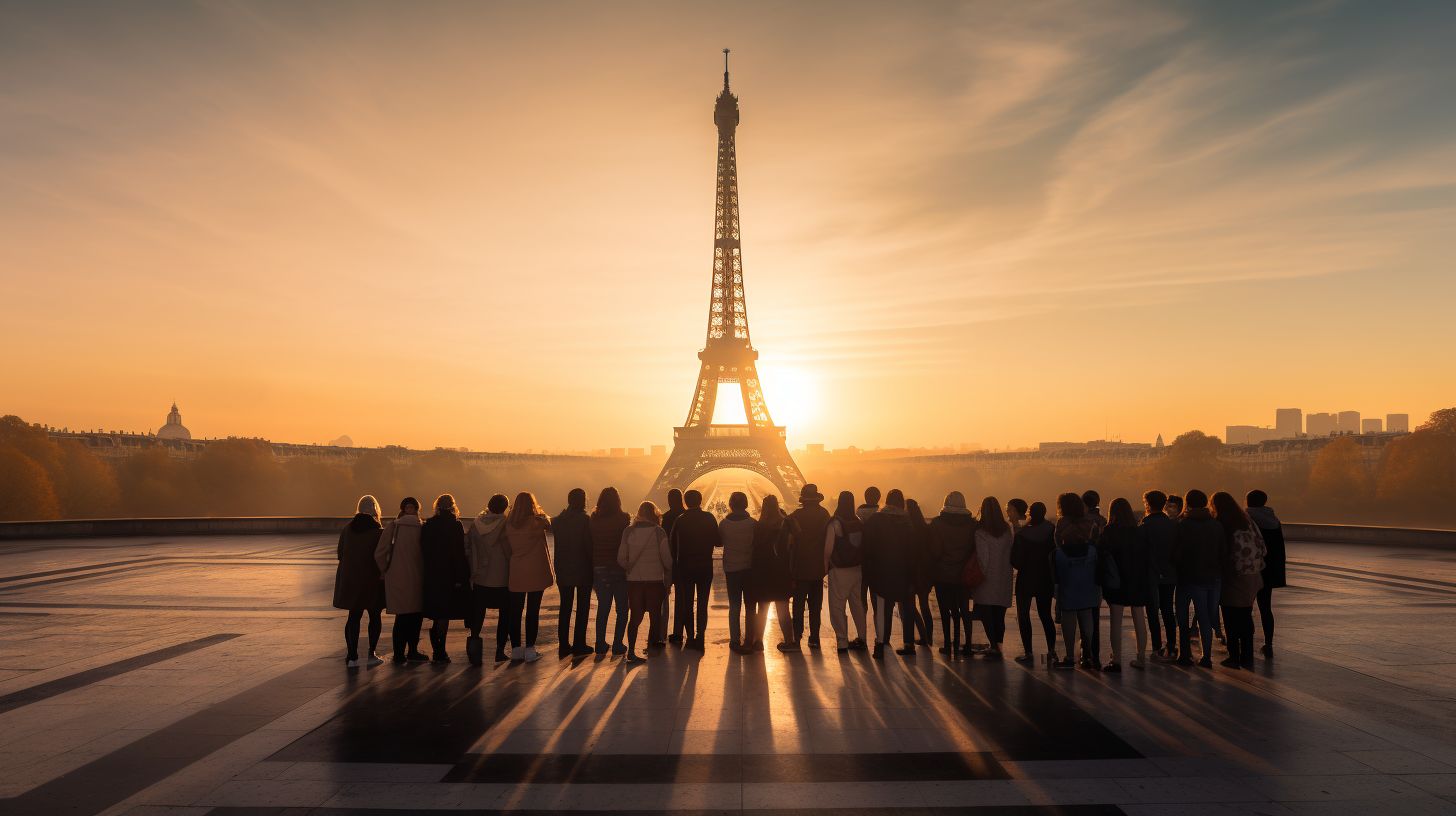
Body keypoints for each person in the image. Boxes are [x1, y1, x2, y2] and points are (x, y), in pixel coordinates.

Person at [1212, 491, 1265, 669]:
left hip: (1233, 576)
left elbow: (1221, 553)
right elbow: (1262, 547)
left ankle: (1234, 656)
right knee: (1245, 615)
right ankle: (1247, 654)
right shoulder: (1247, 521)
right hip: (1253, 576)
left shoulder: (1222, 524)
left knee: (1230, 618)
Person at [1173, 489, 1225, 668]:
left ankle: (1185, 653)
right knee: (1205, 617)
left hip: (1187, 576)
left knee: (1182, 615)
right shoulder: (1216, 525)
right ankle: (1206, 656)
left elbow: (1177, 553)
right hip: (1213, 576)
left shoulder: (1182, 524)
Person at [1101, 498, 1153, 671]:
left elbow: (1102, 555)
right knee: (1139, 618)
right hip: (1137, 580)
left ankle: (1116, 659)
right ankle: (1141, 657)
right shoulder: (1139, 532)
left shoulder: (1109, 531)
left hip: (1116, 581)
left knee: (1116, 620)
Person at [863, 488, 916, 659]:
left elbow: (867, 547)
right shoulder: (909, 522)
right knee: (907, 609)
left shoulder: (876, 520)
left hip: (882, 571)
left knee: (883, 610)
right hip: (905, 572)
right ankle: (909, 642)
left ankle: (883, 639)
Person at [618, 500, 673, 664]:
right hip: (655, 580)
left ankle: (632, 651)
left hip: (634, 581)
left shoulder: (628, 531)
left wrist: (630, 568)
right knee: (655, 616)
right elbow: (667, 561)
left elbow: (620, 558)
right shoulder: (659, 532)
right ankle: (653, 648)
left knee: (635, 618)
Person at [334, 495, 385, 667]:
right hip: (372, 579)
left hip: (351, 579)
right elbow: (382, 556)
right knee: (374, 616)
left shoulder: (347, 529)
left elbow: (340, 553)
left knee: (353, 617)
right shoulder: (378, 531)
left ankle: (352, 656)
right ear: (375, 509)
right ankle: (372, 654)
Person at [376, 497, 427, 664]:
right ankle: (413, 651)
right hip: (418, 577)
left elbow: (380, 552)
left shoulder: (394, 526)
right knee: (415, 617)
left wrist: (385, 570)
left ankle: (398, 653)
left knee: (401, 618)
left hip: (396, 577)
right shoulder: (423, 527)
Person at [1052, 492, 1100, 670]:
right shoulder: (1090, 522)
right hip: (1087, 567)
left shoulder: (1062, 523)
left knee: (1069, 614)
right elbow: (1095, 542)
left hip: (1068, 569)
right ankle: (1087, 653)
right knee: (1087, 612)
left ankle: (1070, 655)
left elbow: (1057, 543)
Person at [420, 494, 470, 664]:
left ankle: (437, 649)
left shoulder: (428, 524)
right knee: (444, 614)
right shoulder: (455, 525)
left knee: (436, 613)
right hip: (449, 575)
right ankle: (440, 650)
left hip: (432, 574)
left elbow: (424, 550)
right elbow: (458, 553)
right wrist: (461, 577)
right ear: (452, 506)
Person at [506, 491, 553, 663]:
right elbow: (549, 522)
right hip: (536, 571)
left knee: (515, 611)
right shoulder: (537, 522)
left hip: (517, 570)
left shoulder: (509, 525)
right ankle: (530, 650)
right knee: (533, 611)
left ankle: (516, 649)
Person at [464, 494, 511, 664]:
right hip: (502, 577)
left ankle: (474, 648)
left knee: (479, 613)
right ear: (504, 508)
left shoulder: (476, 524)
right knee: (505, 614)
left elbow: (467, 546)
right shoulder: (506, 524)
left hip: (481, 577)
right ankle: (500, 650)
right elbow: (509, 550)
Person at [747, 495, 797, 653]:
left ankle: (758, 641)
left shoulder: (759, 526)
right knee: (783, 610)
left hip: (763, 572)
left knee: (762, 609)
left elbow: (754, 550)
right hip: (781, 571)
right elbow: (793, 548)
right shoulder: (786, 524)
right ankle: (790, 641)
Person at [671, 489, 719, 650]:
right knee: (702, 604)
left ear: (685, 502)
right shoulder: (709, 518)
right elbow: (719, 542)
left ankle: (690, 637)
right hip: (705, 566)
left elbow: (672, 545)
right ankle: (701, 636)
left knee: (687, 604)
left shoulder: (680, 520)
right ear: (700, 500)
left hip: (685, 567)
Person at [928, 491, 974, 655]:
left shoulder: (937, 524)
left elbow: (934, 551)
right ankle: (967, 643)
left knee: (945, 610)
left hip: (942, 574)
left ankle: (948, 643)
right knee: (963, 610)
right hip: (963, 575)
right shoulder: (971, 525)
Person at [1011, 501, 1057, 664]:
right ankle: (1052, 650)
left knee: (1023, 615)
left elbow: (1015, 561)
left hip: (1026, 579)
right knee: (1045, 615)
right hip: (1045, 578)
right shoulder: (1052, 531)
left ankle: (1029, 652)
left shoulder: (1022, 535)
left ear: (1030, 514)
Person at [823, 490, 868, 653]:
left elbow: (828, 550)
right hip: (857, 569)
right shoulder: (858, 521)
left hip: (840, 570)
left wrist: (825, 570)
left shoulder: (835, 523)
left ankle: (842, 641)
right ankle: (862, 638)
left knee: (837, 606)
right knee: (857, 605)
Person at [552, 488, 594, 658]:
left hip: (563, 568)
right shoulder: (586, 520)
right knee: (582, 608)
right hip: (583, 569)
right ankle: (579, 643)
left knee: (565, 607)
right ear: (583, 500)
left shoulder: (557, 521)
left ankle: (563, 644)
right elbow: (588, 546)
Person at [590, 487, 632, 655]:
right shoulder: (624, 518)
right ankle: (617, 644)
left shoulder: (593, 519)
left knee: (603, 608)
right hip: (619, 567)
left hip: (599, 567)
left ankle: (600, 644)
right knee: (622, 609)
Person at [788, 484, 831, 649]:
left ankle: (797, 636)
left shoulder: (796, 516)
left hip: (800, 567)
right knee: (815, 606)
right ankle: (814, 637)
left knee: (798, 605)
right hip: (817, 568)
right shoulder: (824, 514)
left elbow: (789, 542)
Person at [971, 496, 1014, 660]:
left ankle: (993, 646)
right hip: (1004, 575)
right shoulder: (1007, 529)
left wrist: (978, 576)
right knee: (999, 614)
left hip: (987, 578)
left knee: (986, 613)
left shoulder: (981, 532)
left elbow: (983, 558)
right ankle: (998, 645)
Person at [1139, 490, 1179, 662]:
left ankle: (1156, 647)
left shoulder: (1143, 527)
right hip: (1170, 572)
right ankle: (1171, 645)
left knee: (1152, 612)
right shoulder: (1173, 526)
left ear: (1147, 504)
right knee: (1168, 610)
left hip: (1150, 574)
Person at [1246, 490, 1285, 657]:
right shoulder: (1274, 521)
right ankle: (1268, 643)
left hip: (1251, 569)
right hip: (1269, 571)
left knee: (1246, 607)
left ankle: (1246, 640)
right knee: (1265, 608)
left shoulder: (1247, 518)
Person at [720, 491, 757, 651]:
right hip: (749, 569)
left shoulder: (724, 524)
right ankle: (750, 639)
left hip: (731, 568)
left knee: (734, 606)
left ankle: (734, 639)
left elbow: (720, 543)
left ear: (730, 505)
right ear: (746, 504)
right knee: (750, 606)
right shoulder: (753, 524)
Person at [906, 499, 935, 648]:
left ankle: (922, 634)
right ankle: (929, 636)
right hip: (925, 573)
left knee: (910, 606)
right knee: (924, 605)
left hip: (912, 572)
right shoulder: (926, 528)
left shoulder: (907, 529)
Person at [660, 489, 686, 645]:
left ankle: (660, 633)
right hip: (682, 562)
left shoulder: (666, 517)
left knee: (663, 599)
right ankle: (678, 633)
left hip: (667, 561)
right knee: (682, 600)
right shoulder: (686, 516)